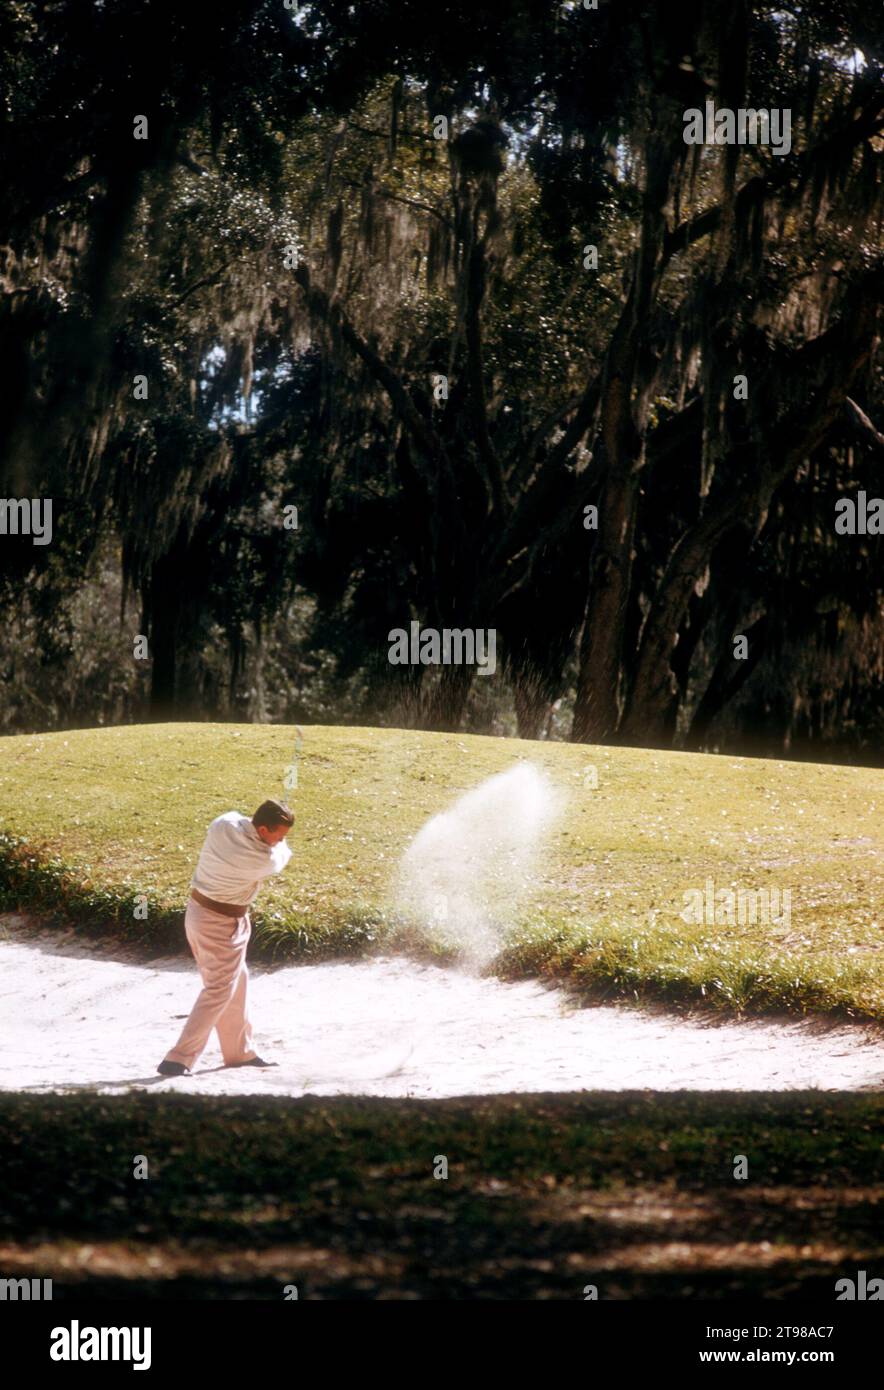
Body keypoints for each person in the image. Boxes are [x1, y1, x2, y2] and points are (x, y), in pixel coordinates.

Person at [156, 800, 294, 1077]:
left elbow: (240, 819)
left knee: (237, 979)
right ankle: (178, 1058)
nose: (281, 840)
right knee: (219, 989)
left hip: (199, 913)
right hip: (219, 923)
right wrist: (279, 844)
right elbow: (283, 856)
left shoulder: (223, 824)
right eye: (279, 834)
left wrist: (276, 821)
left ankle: (239, 1051)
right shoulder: (262, 859)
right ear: (263, 829)